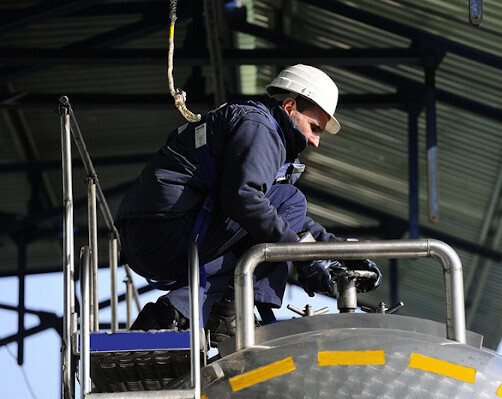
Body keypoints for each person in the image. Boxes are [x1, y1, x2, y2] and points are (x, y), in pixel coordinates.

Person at [114, 64, 382, 344]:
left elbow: (286, 219)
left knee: (279, 221)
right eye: (314, 128)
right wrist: (303, 259)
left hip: (156, 232)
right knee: (284, 213)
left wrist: (346, 251)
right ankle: (223, 313)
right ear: (290, 107)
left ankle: (177, 313)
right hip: (164, 230)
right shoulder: (260, 127)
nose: (315, 141)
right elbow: (246, 198)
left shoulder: (260, 130)